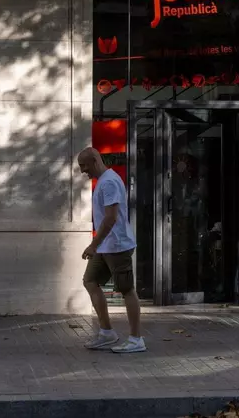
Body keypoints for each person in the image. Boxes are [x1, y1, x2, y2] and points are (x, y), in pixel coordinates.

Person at [77, 147, 146, 354]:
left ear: (95, 161)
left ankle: (136, 339)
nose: (82, 170)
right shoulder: (103, 181)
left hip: (117, 246)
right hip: (105, 246)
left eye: (84, 165)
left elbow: (110, 218)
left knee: (127, 290)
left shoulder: (109, 182)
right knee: (90, 280)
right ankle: (107, 333)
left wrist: (93, 245)